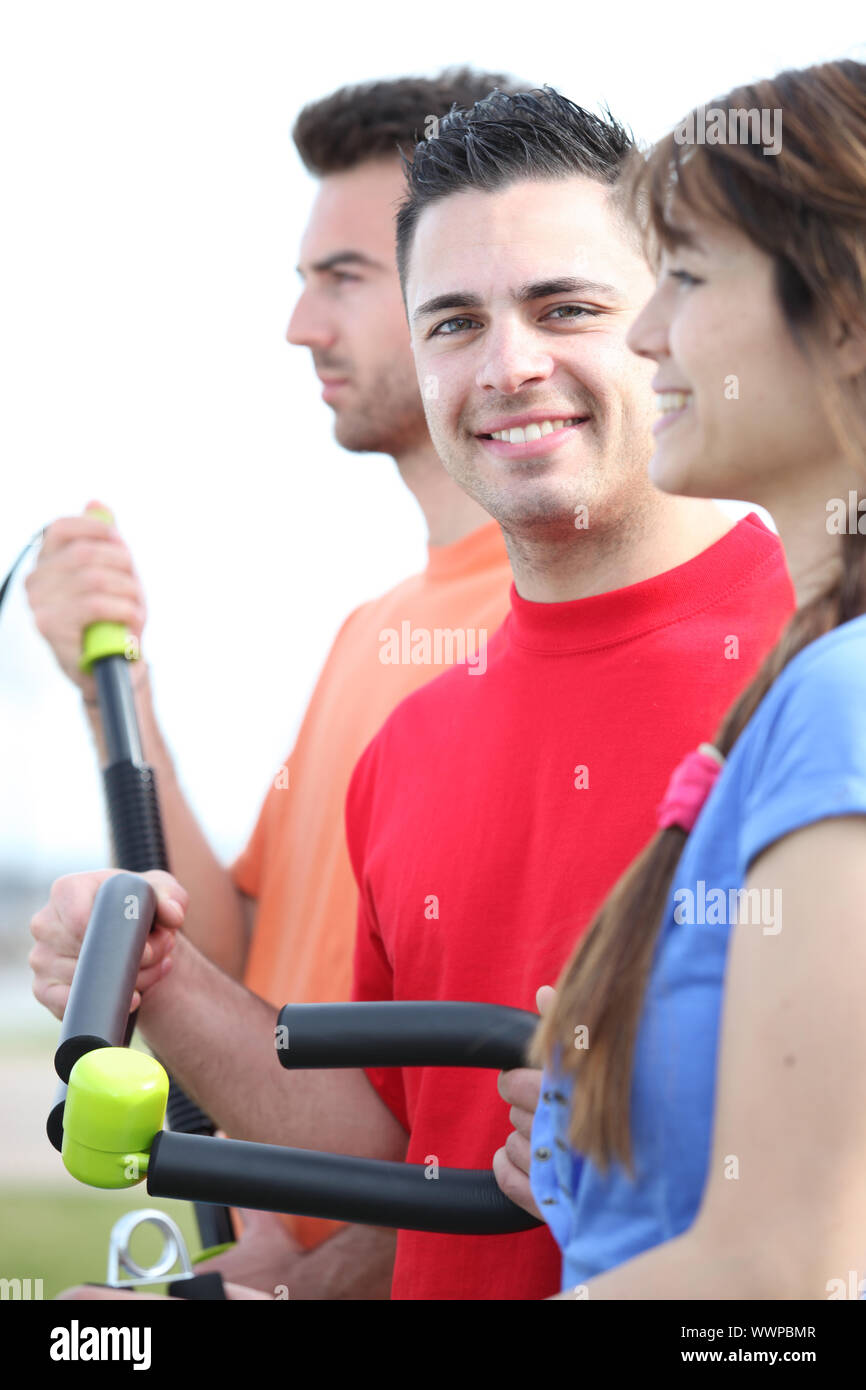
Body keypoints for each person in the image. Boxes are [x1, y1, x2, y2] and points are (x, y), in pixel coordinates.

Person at [29, 89, 796, 1300]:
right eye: (452, 323)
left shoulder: (812, 658)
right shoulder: (413, 734)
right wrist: (163, 980)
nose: (508, 366)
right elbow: (391, 1147)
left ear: (661, 322)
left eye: (564, 308)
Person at [24, 69, 523, 1299]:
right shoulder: (375, 629)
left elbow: (485, 1132)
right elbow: (236, 956)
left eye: (342, 278)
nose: (301, 327)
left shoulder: (535, 628)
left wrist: (294, 1289)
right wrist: (113, 688)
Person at [517, 59, 866, 1299]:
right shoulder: (815, 677)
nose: (644, 329)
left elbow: (773, 1281)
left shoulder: (843, 698)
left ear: (840, 314)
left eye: (688, 276)